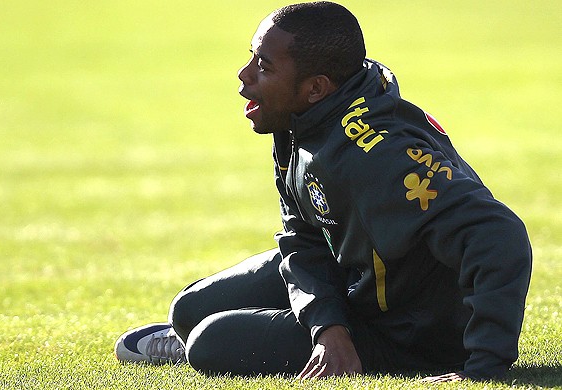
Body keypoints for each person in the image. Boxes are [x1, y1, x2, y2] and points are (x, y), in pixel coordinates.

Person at [114, 1, 532, 383]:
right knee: (187, 311)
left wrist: (484, 367)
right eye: (251, 57)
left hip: (412, 330)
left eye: (264, 66)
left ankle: (369, 347)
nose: (243, 78)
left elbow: (498, 235)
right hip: (354, 281)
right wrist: (327, 327)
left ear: (316, 87)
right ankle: (307, 329)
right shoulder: (303, 119)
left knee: (210, 342)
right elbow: (303, 236)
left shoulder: (379, 154)